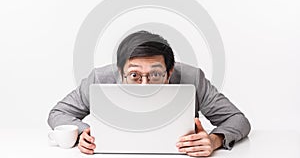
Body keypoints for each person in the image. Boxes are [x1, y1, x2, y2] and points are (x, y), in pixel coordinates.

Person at [48, 30, 251, 157]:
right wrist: (85, 133)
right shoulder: (99, 78)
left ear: (170, 71)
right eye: (134, 75)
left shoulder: (192, 77)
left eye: (155, 74)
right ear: (120, 71)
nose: (144, 85)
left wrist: (214, 141)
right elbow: (58, 113)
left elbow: (238, 120)